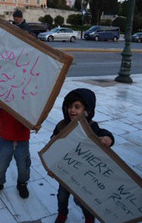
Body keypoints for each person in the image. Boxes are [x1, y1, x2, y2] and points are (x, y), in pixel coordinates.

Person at [52, 88, 114, 223]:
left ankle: (89, 218)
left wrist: (107, 138)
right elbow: (53, 144)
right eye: (69, 106)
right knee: (62, 196)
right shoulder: (62, 125)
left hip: (83, 174)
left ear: (87, 110)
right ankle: (62, 214)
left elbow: (104, 133)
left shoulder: (91, 127)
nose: (72, 110)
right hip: (65, 171)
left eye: (77, 107)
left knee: (83, 200)